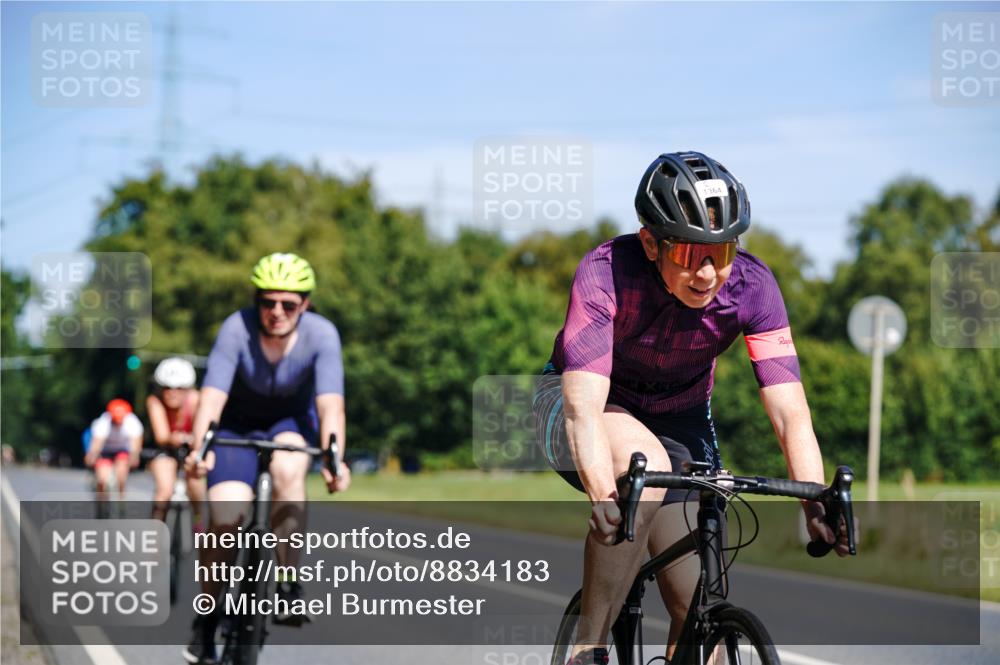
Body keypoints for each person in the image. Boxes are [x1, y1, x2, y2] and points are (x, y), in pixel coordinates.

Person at [534, 151, 851, 665]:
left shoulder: (754, 288)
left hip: (680, 417)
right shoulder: (605, 273)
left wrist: (813, 499)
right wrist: (601, 492)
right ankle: (587, 648)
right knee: (647, 467)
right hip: (586, 403)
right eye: (687, 254)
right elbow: (583, 408)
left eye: (721, 252)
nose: (707, 272)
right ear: (650, 243)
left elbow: (790, 413)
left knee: (699, 599)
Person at [183, 252, 349, 664]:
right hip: (235, 427)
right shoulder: (235, 329)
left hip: (289, 422)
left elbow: (331, 406)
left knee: (289, 470)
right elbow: (212, 397)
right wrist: (198, 449)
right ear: (256, 301)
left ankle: (288, 581)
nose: (276, 312)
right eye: (267, 302)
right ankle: (207, 617)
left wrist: (334, 459)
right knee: (225, 517)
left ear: (305, 305)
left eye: (289, 304)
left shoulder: (323, 335)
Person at [146, 357, 205, 525]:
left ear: (188, 389)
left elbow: (200, 430)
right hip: (166, 450)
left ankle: (198, 523)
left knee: (196, 486)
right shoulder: (154, 402)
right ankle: (154, 541)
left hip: (192, 449)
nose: (173, 392)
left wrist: (193, 440)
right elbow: (162, 436)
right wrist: (179, 438)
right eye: (167, 387)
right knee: (163, 493)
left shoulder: (196, 400)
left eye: (179, 388)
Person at [84, 398, 144, 504]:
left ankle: (121, 501)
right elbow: (96, 444)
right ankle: (101, 503)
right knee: (102, 478)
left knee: (121, 474)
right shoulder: (103, 422)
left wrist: (135, 457)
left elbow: (136, 445)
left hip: (123, 450)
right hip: (105, 451)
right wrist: (91, 456)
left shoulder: (132, 422)